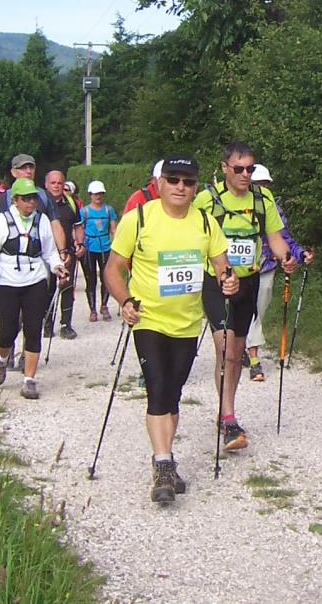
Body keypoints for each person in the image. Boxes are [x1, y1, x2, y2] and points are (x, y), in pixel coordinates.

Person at [104, 154, 238, 503]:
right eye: (174, 179)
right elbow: (113, 269)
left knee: (173, 393)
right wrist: (125, 301)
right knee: (158, 388)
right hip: (148, 318)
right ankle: (162, 463)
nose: (181, 187)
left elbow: (223, 266)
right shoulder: (140, 218)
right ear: (160, 183)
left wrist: (229, 281)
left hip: (188, 323)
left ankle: (166, 460)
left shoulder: (206, 223)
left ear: (195, 187)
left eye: (188, 181)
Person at [194, 141, 299, 451]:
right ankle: (228, 417)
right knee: (226, 348)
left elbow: (274, 237)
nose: (244, 174)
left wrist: (285, 258)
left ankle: (227, 408)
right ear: (225, 167)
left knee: (237, 350)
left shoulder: (261, 198)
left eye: (250, 169)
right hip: (216, 281)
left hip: (249, 281)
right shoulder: (206, 199)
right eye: (238, 168)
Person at [0, 177, 69, 400]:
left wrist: (58, 266)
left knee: (33, 328)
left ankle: (29, 380)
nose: (30, 203)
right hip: (5, 280)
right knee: (8, 331)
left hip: (35, 279)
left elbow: (49, 251)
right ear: (15, 200)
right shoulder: (2, 220)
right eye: (26, 199)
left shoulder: (42, 221)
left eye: (33, 199)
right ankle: (2, 359)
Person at [244, 163, 313, 381]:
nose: (263, 189)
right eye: (259, 185)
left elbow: (284, 238)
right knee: (241, 313)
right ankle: (251, 358)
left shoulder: (273, 207)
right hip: (237, 272)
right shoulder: (232, 207)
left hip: (265, 269)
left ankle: (249, 352)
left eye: (266, 185)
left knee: (258, 312)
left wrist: (300, 254)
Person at [44, 170, 85, 339]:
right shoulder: (41, 204)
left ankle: (65, 325)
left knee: (67, 288)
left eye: (59, 183)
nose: (56, 186)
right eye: (53, 183)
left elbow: (78, 226)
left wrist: (80, 244)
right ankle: (47, 324)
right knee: (47, 289)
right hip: (46, 255)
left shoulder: (71, 204)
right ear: (46, 185)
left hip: (67, 254)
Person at [80, 180, 118, 322]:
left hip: (105, 247)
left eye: (100, 193)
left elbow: (114, 229)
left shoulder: (109, 210)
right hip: (90, 247)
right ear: (90, 195)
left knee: (106, 278)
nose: (98, 196)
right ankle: (93, 309)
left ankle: (104, 305)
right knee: (90, 280)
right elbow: (79, 229)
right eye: (95, 194)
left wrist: (116, 245)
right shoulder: (84, 211)